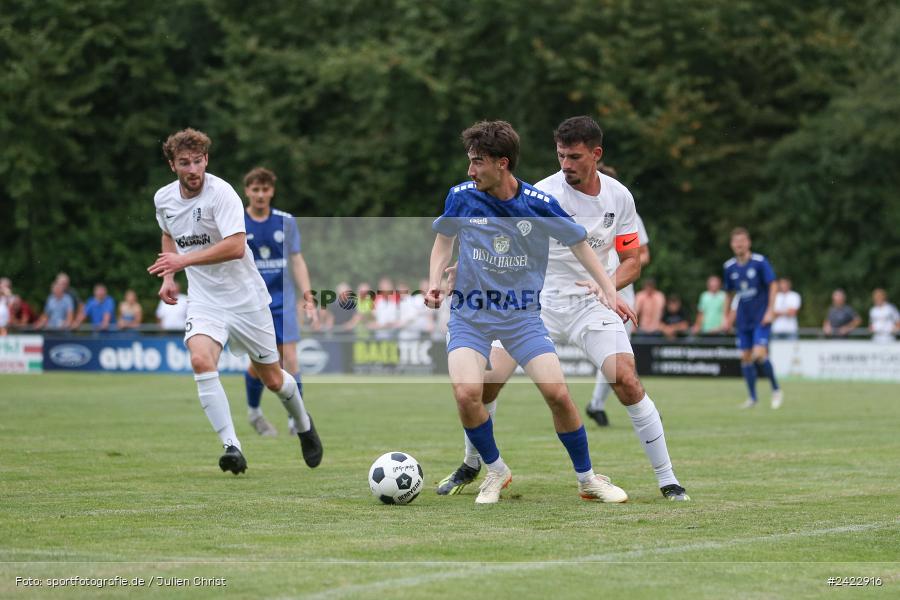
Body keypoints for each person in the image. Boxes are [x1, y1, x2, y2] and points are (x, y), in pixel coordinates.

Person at [435, 117, 688, 502]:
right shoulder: (543, 193)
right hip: (537, 303)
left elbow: (633, 260)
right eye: (560, 156)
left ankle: (668, 480)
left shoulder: (619, 197)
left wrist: (609, 288)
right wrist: (461, 269)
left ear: (596, 155)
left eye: (574, 157)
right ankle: (475, 464)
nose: (565, 164)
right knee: (484, 385)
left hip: (592, 302)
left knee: (626, 379)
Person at [147, 128, 321, 474]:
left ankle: (303, 423)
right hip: (204, 300)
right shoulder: (163, 199)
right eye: (185, 163)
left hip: (246, 299)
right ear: (172, 165)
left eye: (198, 161)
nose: (193, 169)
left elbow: (235, 246)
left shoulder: (221, 193)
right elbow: (169, 235)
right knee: (200, 360)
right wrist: (168, 276)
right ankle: (232, 447)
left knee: (273, 379)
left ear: (206, 160)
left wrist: (182, 262)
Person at [241, 167, 317, 438]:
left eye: (265, 189)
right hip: (251, 305)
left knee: (291, 359)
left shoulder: (286, 221)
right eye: (255, 189)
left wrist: (308, 295)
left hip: (283, 301)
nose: (260, 195)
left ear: (272, 191)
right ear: (247, 191)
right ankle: (254, 413)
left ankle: (296, 419)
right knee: (258, 365)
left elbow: (296, 259)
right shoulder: (236, 221)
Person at [586, 176, 650, 427]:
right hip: (589, 289)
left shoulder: (625, 208)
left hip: (621, 289)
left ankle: (598, 404)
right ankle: (605, 404)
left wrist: (622, 268)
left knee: (618, 351)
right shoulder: (577, 211)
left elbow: (642, 255)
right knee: (613, 351)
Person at [723, 227, 782, 409]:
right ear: (732, 245)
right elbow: (729, 294)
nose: (739, 245)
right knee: (745, 357)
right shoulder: (729, 267)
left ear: (748, 243)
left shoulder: (759, 262)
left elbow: (773, 285)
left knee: (759, 354)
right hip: (743, 318)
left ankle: (776, 390)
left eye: (742, 241)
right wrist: (726, 317)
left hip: (761, 317)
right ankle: (753, 398)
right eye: (736, 242)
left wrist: (770, 311)